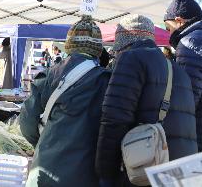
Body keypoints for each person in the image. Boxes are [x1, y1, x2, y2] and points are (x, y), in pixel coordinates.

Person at [95, 14, 198, 187]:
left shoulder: (131, 60)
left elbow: (114, 120)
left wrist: (105, 174)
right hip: (183, 172)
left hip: (147, 170)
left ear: (123, 43)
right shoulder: (178, 71)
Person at [20, 16, 111, 187]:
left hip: (45, 170)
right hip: (86, 173)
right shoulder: (107, 81)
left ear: (69, 44)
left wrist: (44, 143)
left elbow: (26, 122)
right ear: (98, 49)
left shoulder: (48, 75)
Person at [164, 0, 202, 151]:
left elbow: (188, 97)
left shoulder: (189, 42)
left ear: (179, 21)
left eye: (168, 28)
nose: (168, 33)